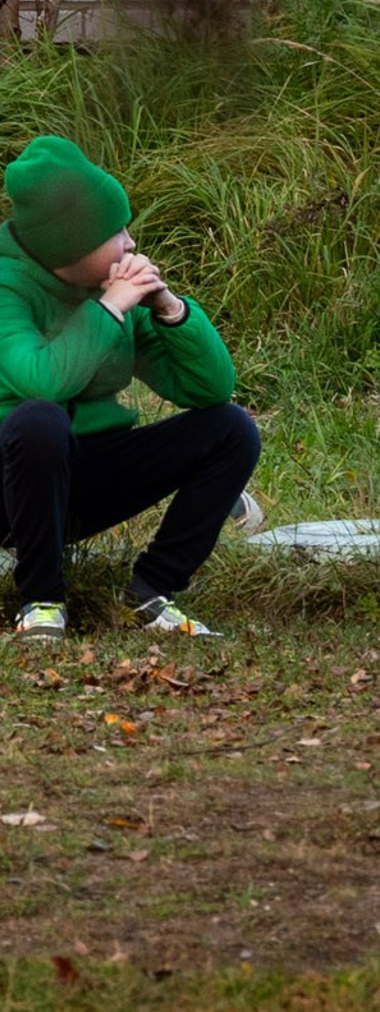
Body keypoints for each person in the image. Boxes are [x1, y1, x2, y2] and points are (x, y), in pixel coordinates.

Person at [0, 135, 255, 639]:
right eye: (115, 231)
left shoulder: (109, 292)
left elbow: (208, 391)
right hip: (10, 488)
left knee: (231, 429)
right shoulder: (9, 288)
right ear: (71, 242)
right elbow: (40, 383)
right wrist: (110, 308)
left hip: (80, 479)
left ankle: (150, 592)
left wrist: (169, 309)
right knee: (39, 420)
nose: (130, 243)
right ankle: (42, 600)